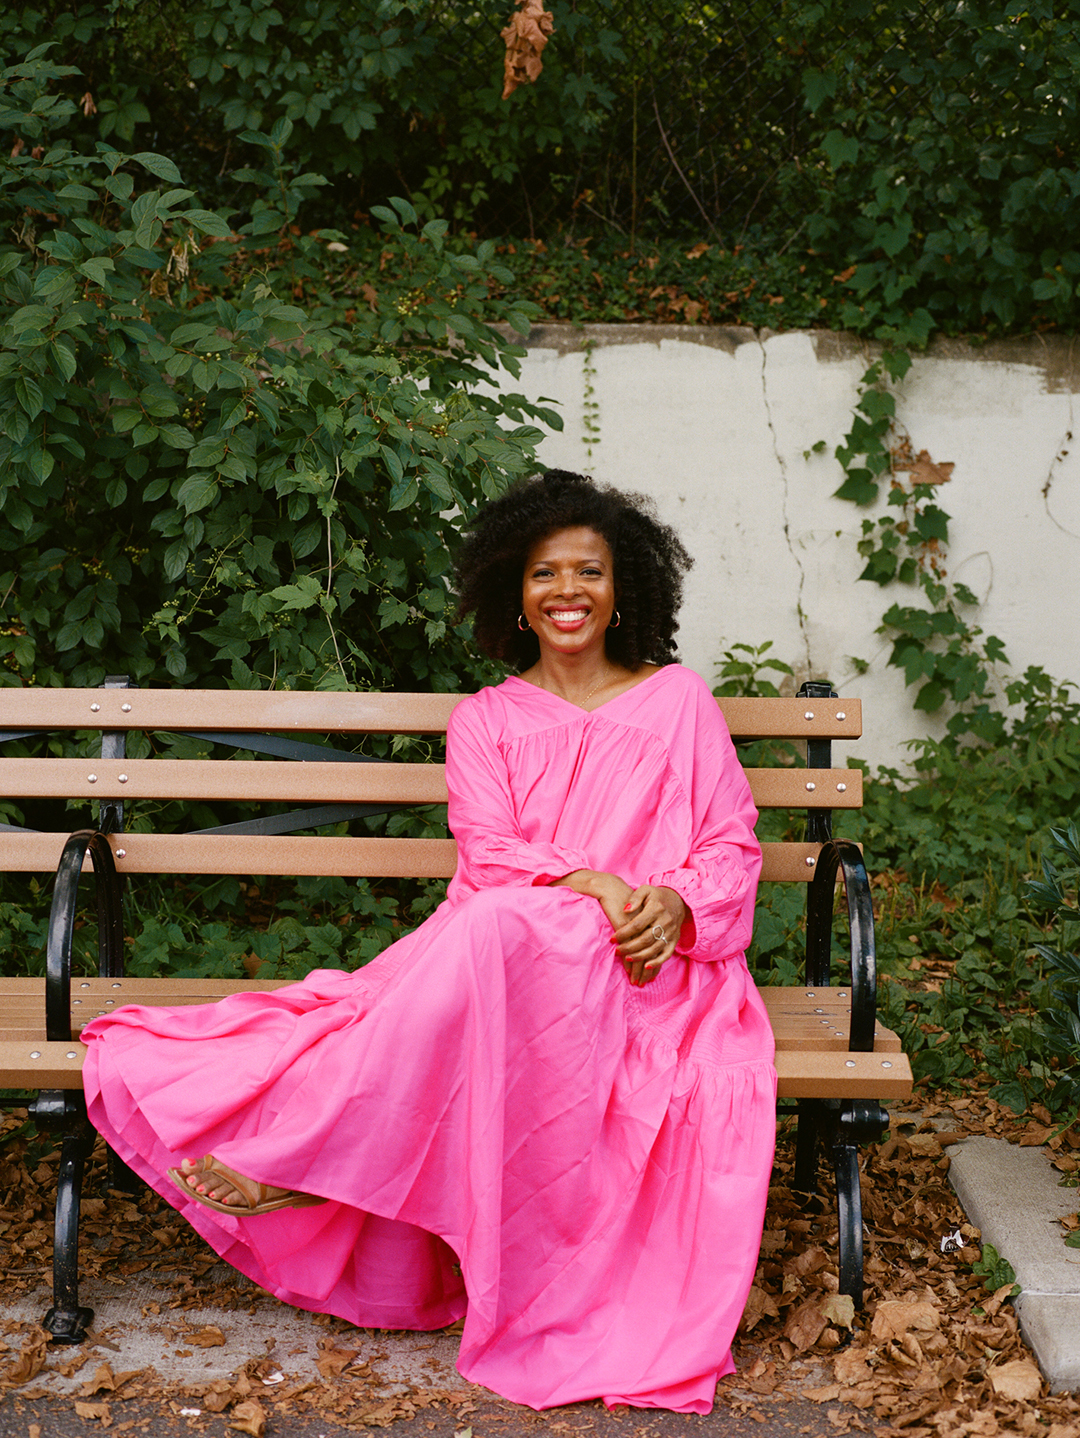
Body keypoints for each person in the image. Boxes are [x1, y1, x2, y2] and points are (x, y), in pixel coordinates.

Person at [81, 469, 776, 1414]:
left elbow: (729, 845)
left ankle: (306, 1161)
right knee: (498, 922)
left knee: (499, 929)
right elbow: (491, 856)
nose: (567, 591)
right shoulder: (484, 722)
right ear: (514, 597)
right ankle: (311, 1159)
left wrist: (678, 908)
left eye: (589, 572)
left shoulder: (678, 702)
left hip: (643, 978)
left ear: (625, 591)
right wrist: (605, 885)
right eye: (544, 574)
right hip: (501, 962)